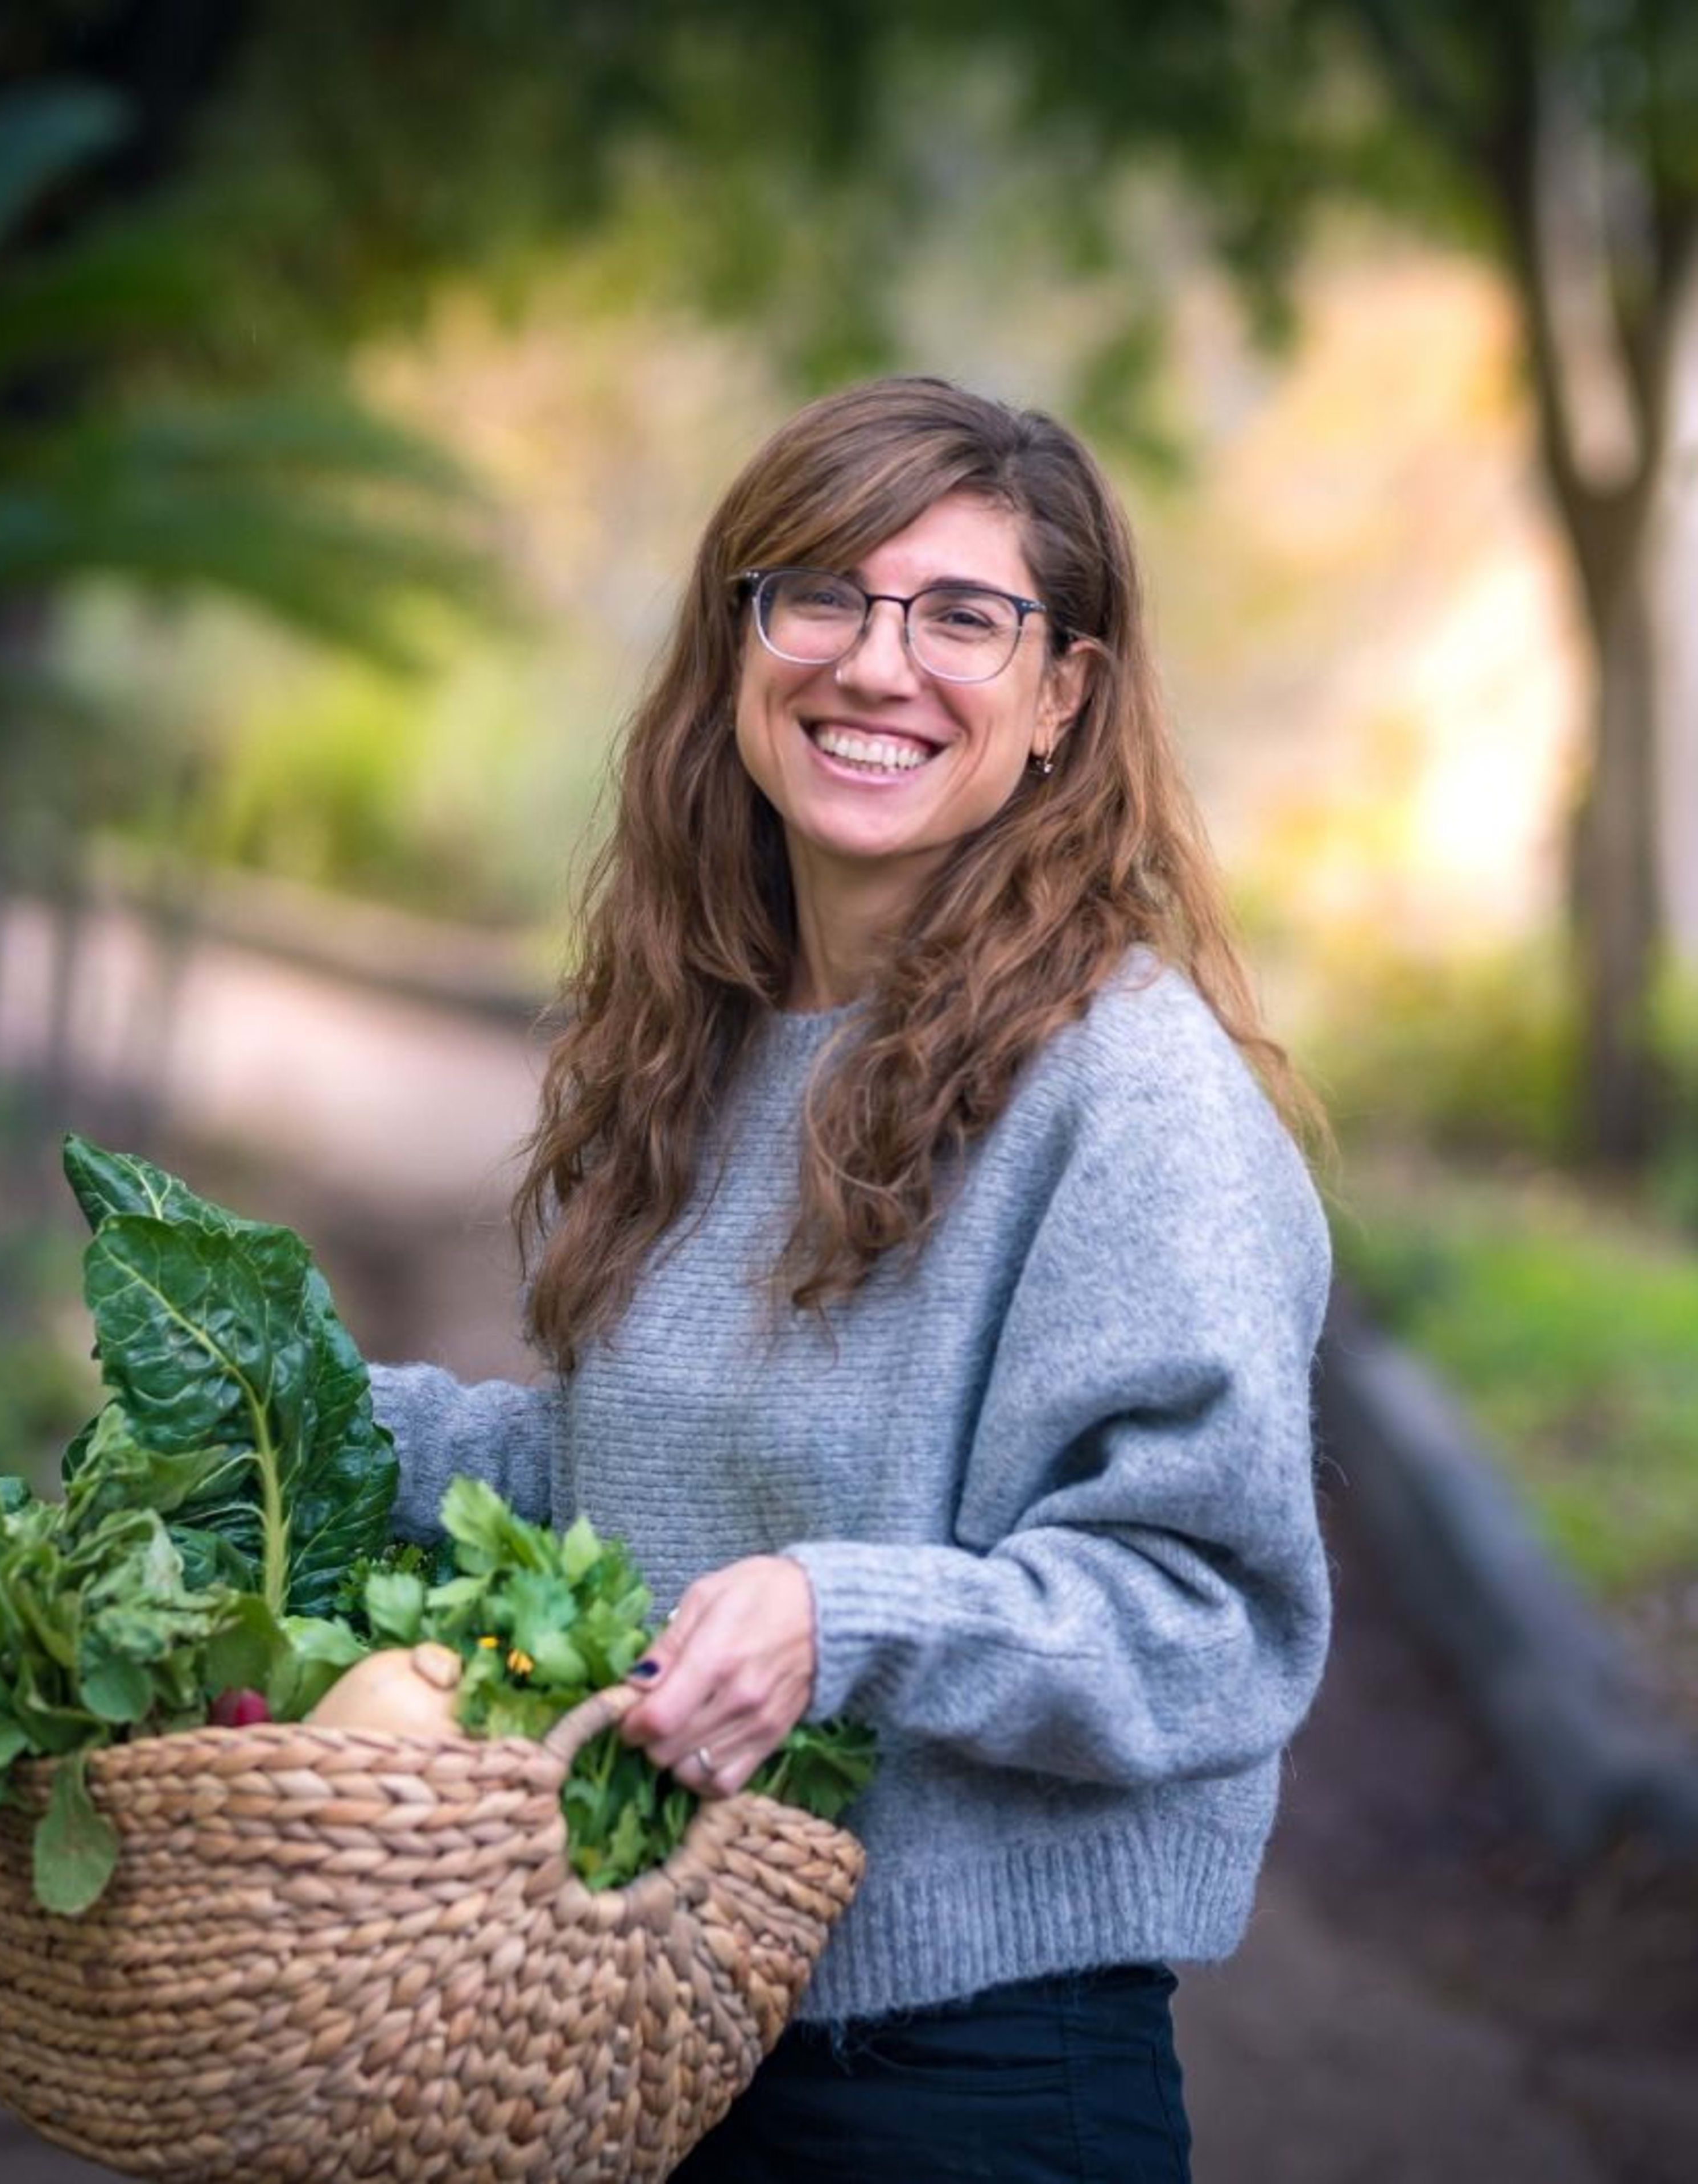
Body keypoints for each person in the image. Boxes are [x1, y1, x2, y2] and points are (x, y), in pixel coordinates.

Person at [367, 375, 1331, 2181]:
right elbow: (641, 1502)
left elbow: (1206, 1616)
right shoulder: (705, 1051)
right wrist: (324, 1438)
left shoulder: (1131, 1095)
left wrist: (846, 1621)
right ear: (741, 646)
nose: (876, 665)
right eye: (819, 594)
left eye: (966, 616)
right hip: (644, 2031)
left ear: (1065, 698)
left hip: (958, 2086)